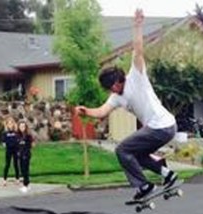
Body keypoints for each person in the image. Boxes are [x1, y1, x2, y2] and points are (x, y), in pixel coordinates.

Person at [75, 8, 178, 201]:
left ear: (118, 80)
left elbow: (138, 49)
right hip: (163, 128)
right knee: (135, 155)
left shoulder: (136, 76)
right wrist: (86, 110)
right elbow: (101, 111)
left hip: (161, 126)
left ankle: (145, 186)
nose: (111, 91)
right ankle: (168, 175)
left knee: (122, 150)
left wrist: (137, 26)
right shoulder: (116, 97)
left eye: (111, 87)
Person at [16, 120, 34, 193]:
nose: (22, 128)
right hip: (20, 155)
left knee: (25, 170)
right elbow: (17, 145)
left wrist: (26, 153)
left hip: (26, 154)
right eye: (20, 126)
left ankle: (25, 185)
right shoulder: (17, 136)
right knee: (22, 170)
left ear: (25, 127)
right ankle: (27, 183)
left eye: (23, 126)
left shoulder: (28, 136)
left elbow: (31, 145)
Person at [2, 117, 20, 186]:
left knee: (16, 164)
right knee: (7, 164)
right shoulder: (5, 133)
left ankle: (17, 179)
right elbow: (3, 142)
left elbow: (18, 141)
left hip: (15, 150)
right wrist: (5, 144)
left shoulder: (16, 132)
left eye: (11, 123)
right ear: (7, 124)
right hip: (8, 150)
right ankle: (4, 180)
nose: (10, 125)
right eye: (9, 123)